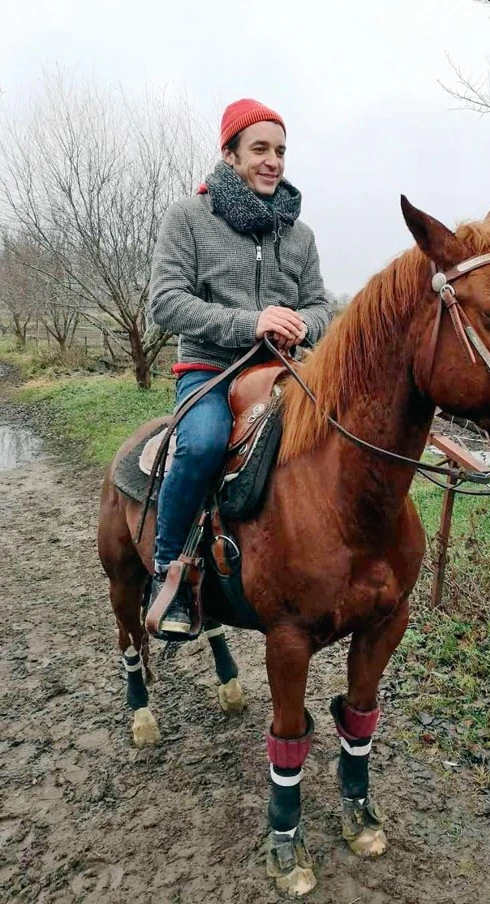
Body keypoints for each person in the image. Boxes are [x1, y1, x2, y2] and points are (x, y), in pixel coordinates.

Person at [147, 98, 332, 639]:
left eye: (280, 151)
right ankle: (169, 573)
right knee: (203, 444)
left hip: (283, 373)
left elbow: (320, 305)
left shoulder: (300, 236)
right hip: (210, 370)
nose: (272, 160)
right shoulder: (188, 218)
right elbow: (165, 303)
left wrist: (304, 325)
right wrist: (250, 322)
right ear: (229, 154)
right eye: (259, 149)